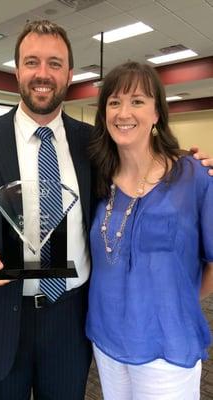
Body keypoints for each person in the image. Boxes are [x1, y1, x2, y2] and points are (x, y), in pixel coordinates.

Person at [0, 19, 213, 400]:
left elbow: (143, 165)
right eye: (32, 62)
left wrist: (185, 161)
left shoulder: (93, 145)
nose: (42, 74)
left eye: (55, 63)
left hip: (70, 320)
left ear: (68, 73)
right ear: (17, 70)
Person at [86, 61, 213, 400]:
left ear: (157, 112)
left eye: (137, 100)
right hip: (108, 340)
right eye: (114, 102)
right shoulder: (97, 178)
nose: (123, 112)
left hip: (167, 347)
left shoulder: (194, 176)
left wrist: (178, 299)